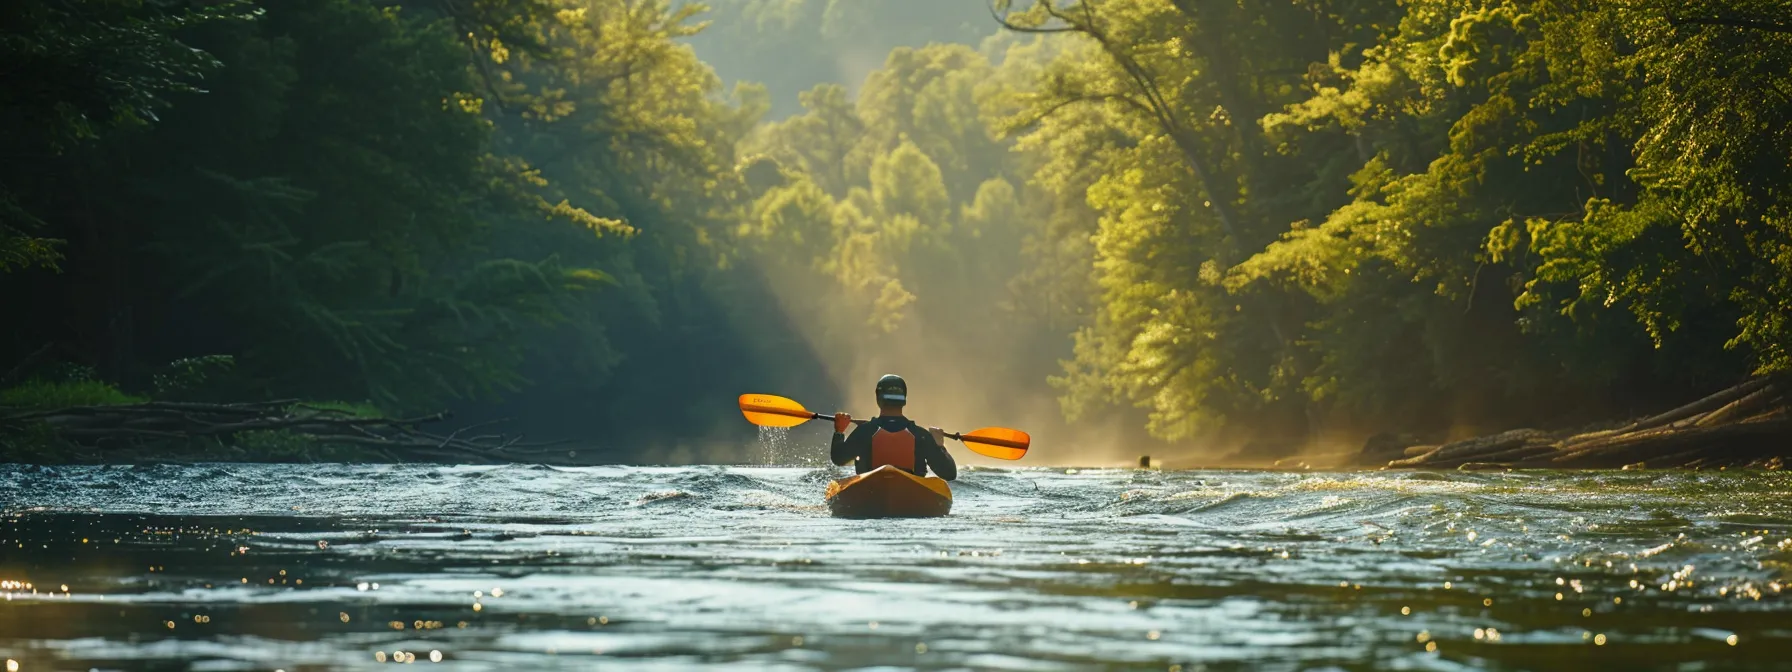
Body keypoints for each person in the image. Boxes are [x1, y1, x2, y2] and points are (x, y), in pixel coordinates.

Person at [830, 374, 957, 481]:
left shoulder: (864, 432)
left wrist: (839, 431)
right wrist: (940, 446)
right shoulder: (921, 435)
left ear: (878, 399)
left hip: (870, 492)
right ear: (904, 400)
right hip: (911, 495)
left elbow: (838, 459)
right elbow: (949, 474)